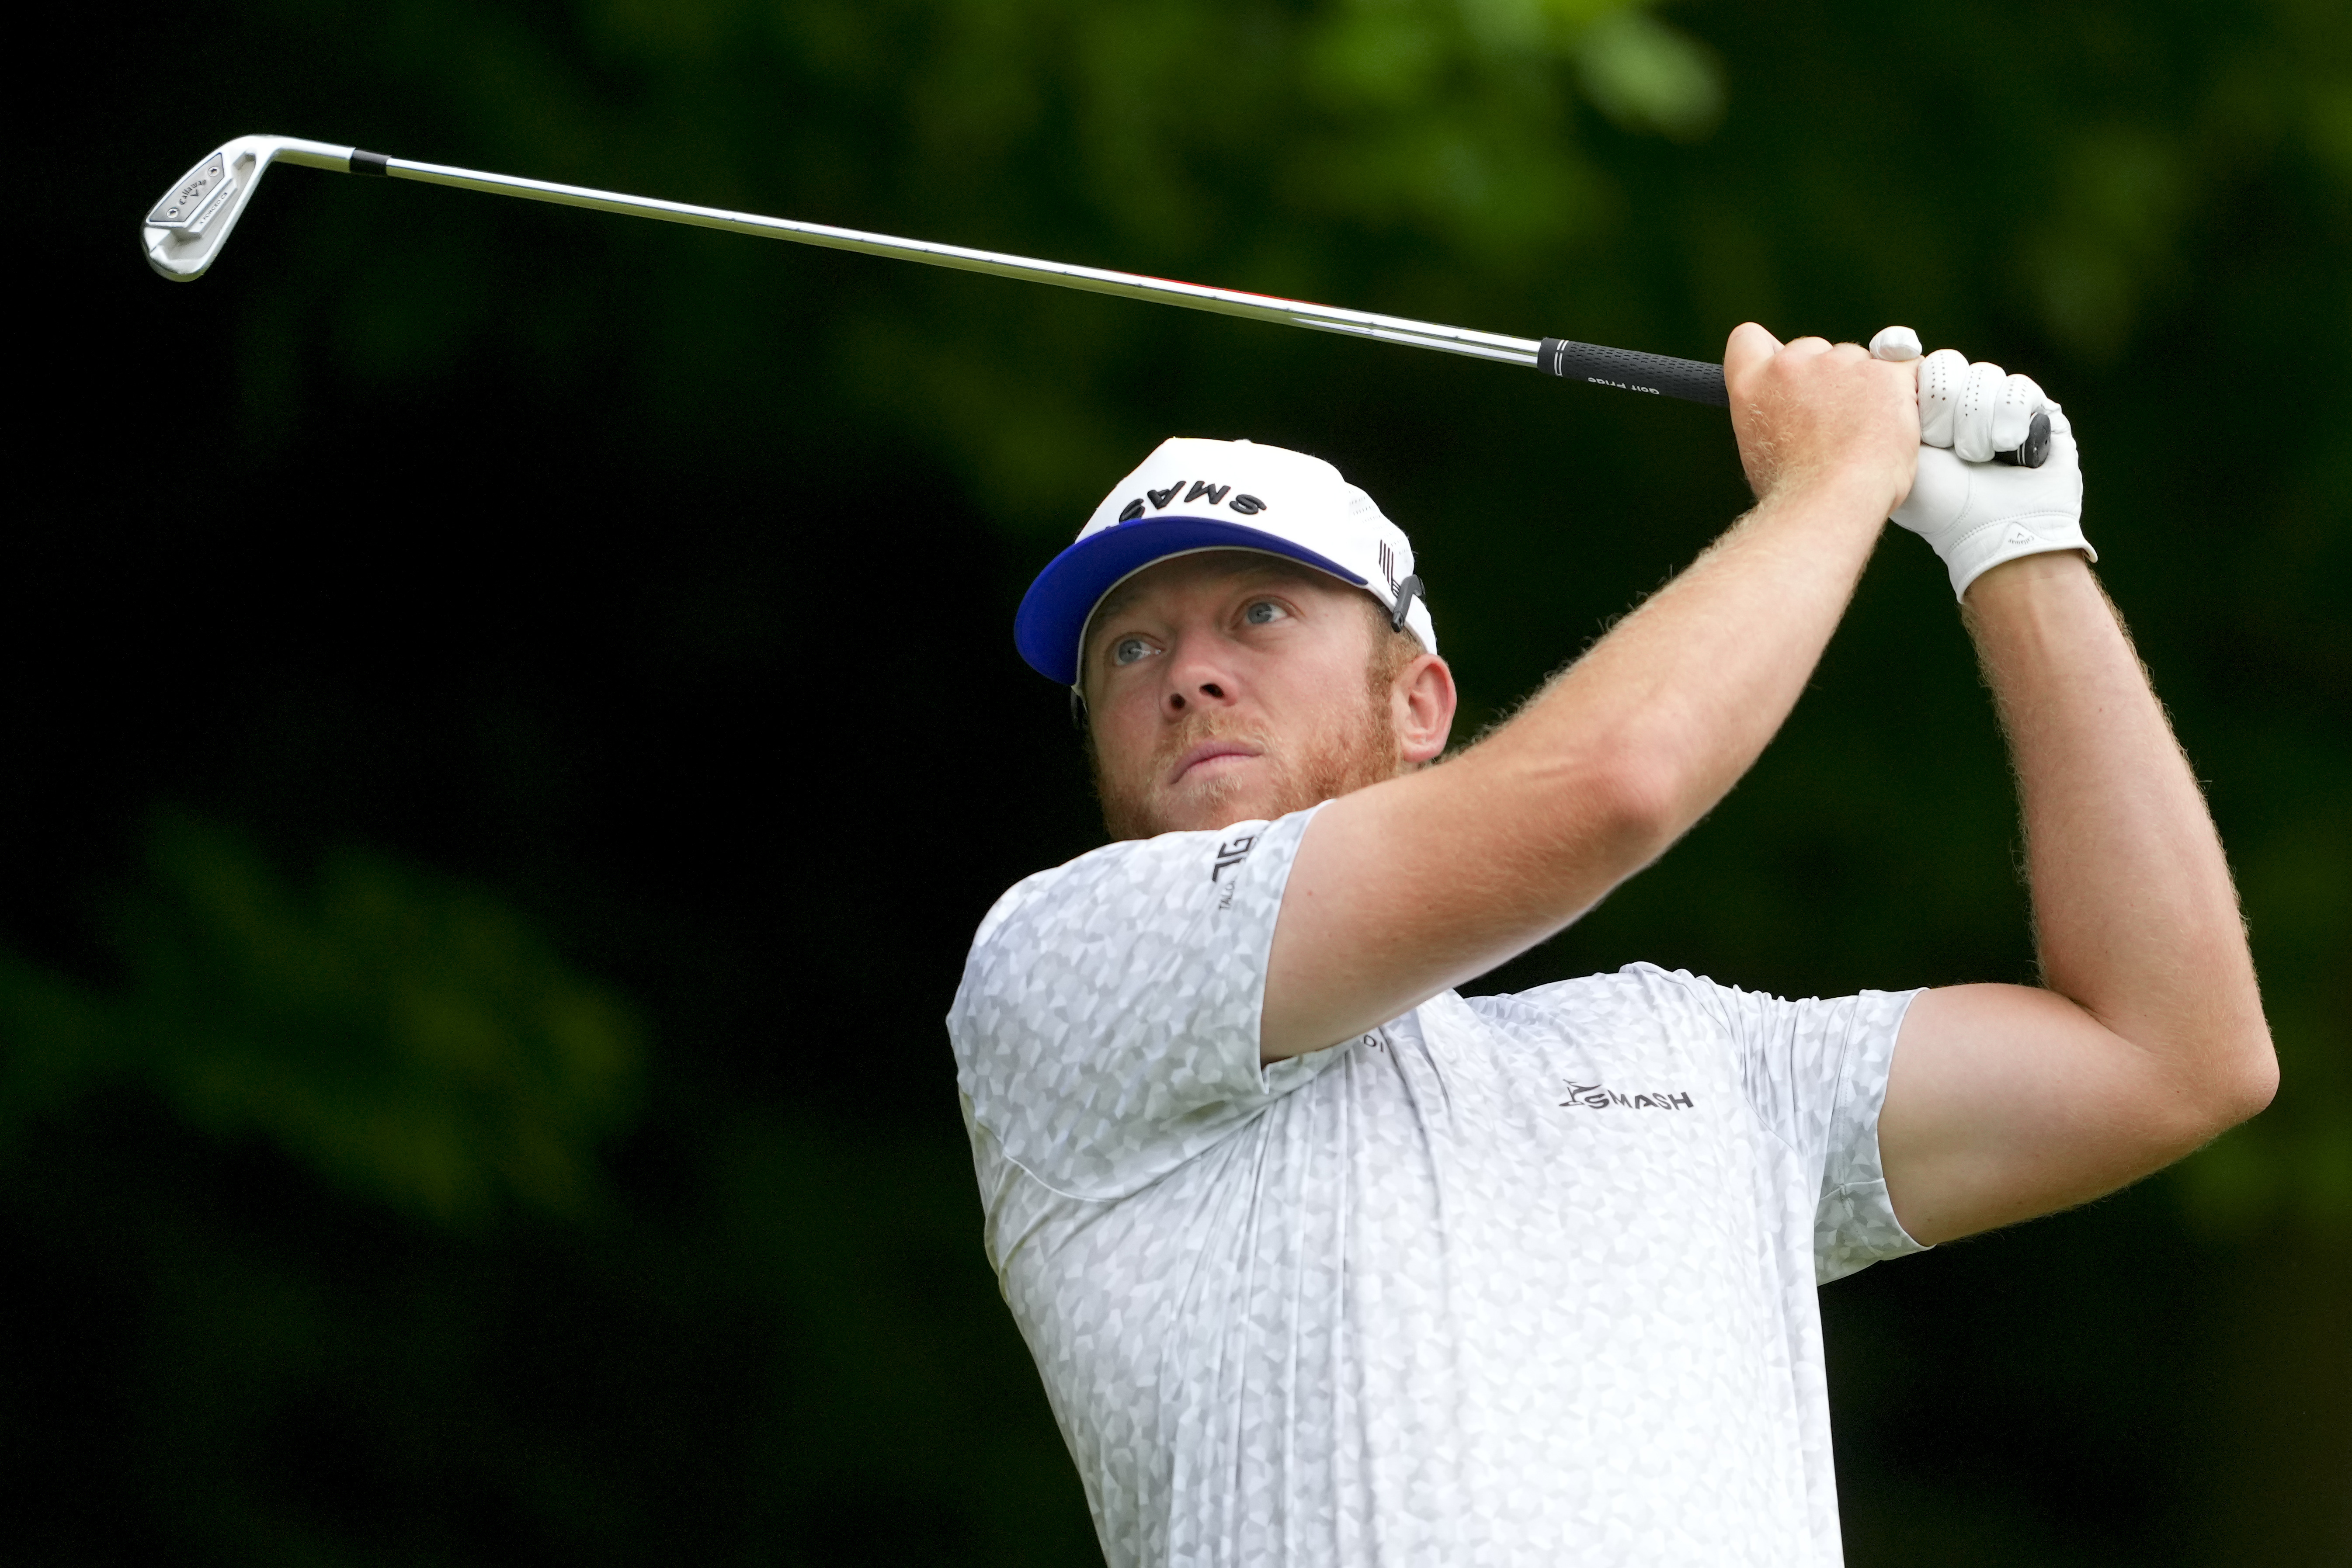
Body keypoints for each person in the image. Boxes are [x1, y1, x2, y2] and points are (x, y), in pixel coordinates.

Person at [945, 323, 2275, 1567]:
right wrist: (1837, 476)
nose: (1187, 674)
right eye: (1128, 648)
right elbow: (1618, 783)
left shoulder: (1688, 1047)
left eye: (1260, 615)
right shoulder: (1061, 966)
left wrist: (2016, 548)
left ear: (1419, 703)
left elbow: (2173, 1053)